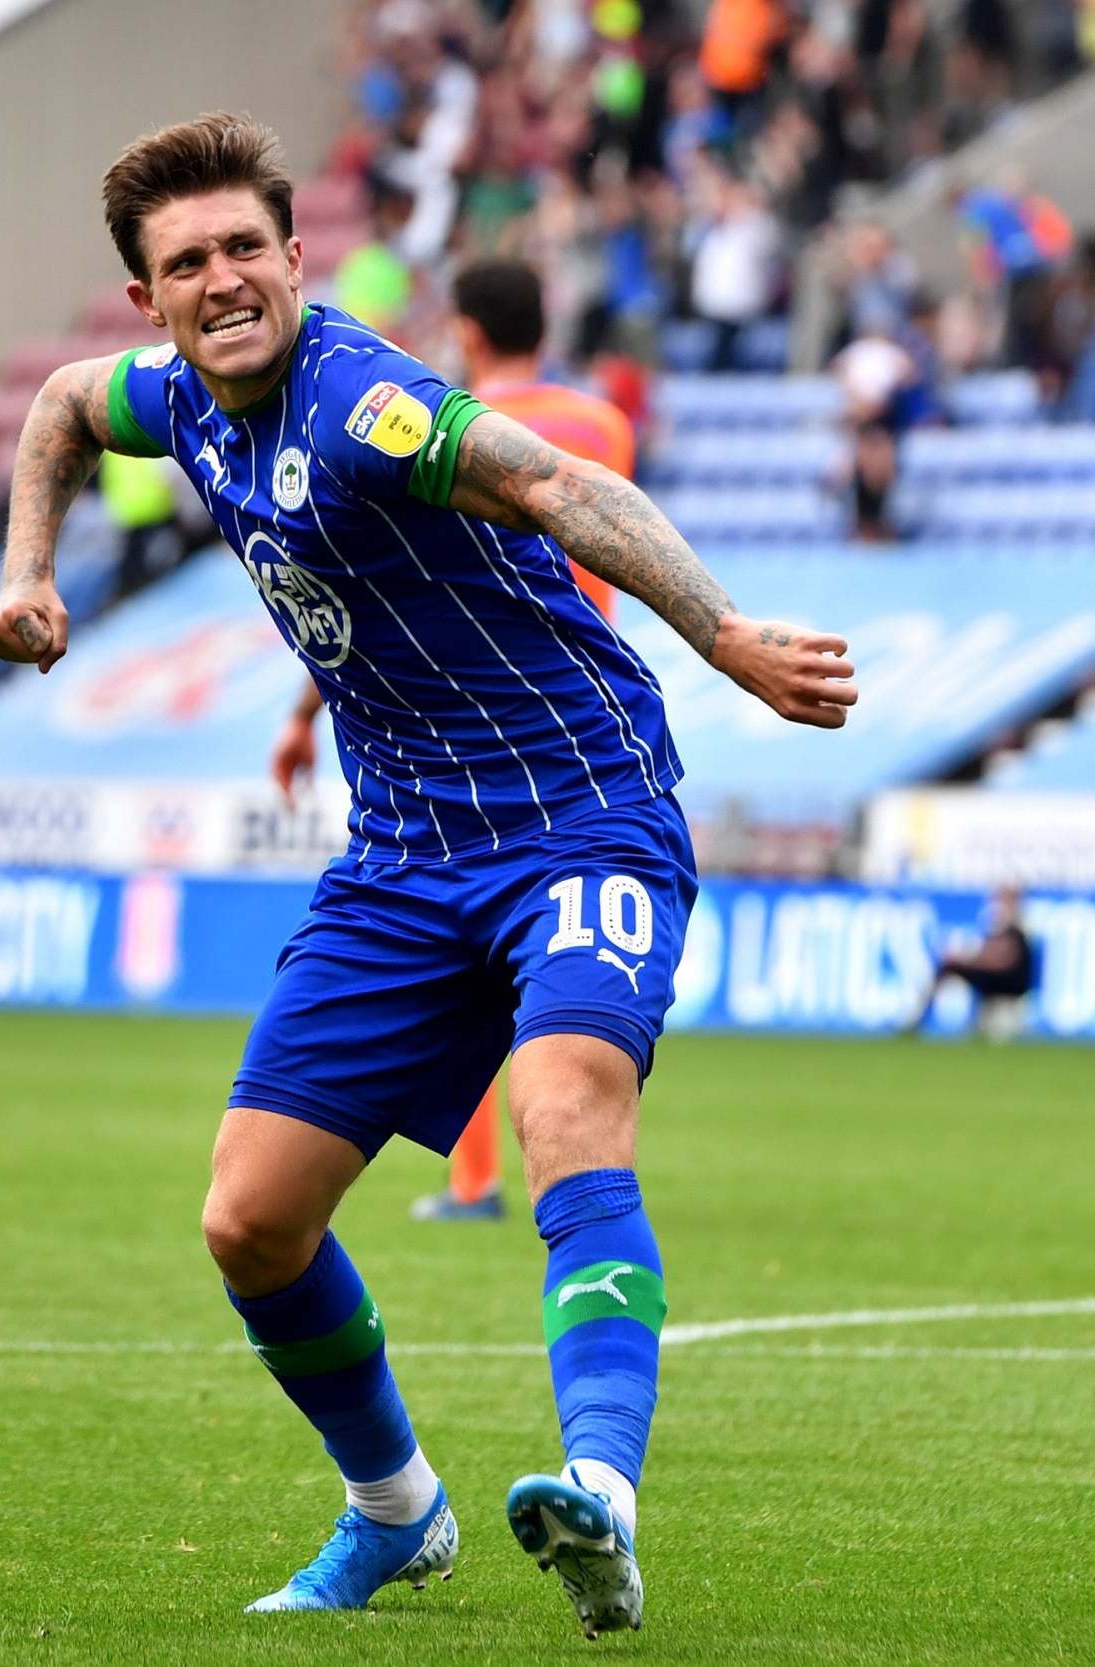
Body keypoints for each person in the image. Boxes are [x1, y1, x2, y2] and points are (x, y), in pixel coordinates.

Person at [0, 114, 856, 1638]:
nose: (223, 277)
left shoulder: (367, 403)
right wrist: (26, 572)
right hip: (401, 855)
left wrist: (727, 640)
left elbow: (563, 488)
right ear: (152, 302)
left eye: (246, 246)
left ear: (295, 257)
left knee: (564, 1105)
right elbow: (57, 404)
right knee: (248, 1219)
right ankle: (397, 1509)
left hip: (581, 814)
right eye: (187, 261)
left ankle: (604, 1496)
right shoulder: (167, 400)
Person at [271, 255, 639, 1226]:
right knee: (565, 990)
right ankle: (573, 1156)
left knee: (462, 969)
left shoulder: (435, 424)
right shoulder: (601, 425)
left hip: (463, 734)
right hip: (584, 727)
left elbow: (386, 601)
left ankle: (474, 1180)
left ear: (466, 330)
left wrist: (301, 716)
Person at [903, 885, 1035, 1033]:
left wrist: (968, 962)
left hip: (1010, 984)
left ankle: (917, 1020)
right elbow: (988, 954)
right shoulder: (997, 923)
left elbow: (1003, 961)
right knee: (949, 967)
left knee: (951, 967)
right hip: (994, 979)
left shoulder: (1018, 927)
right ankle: (918, 1018)